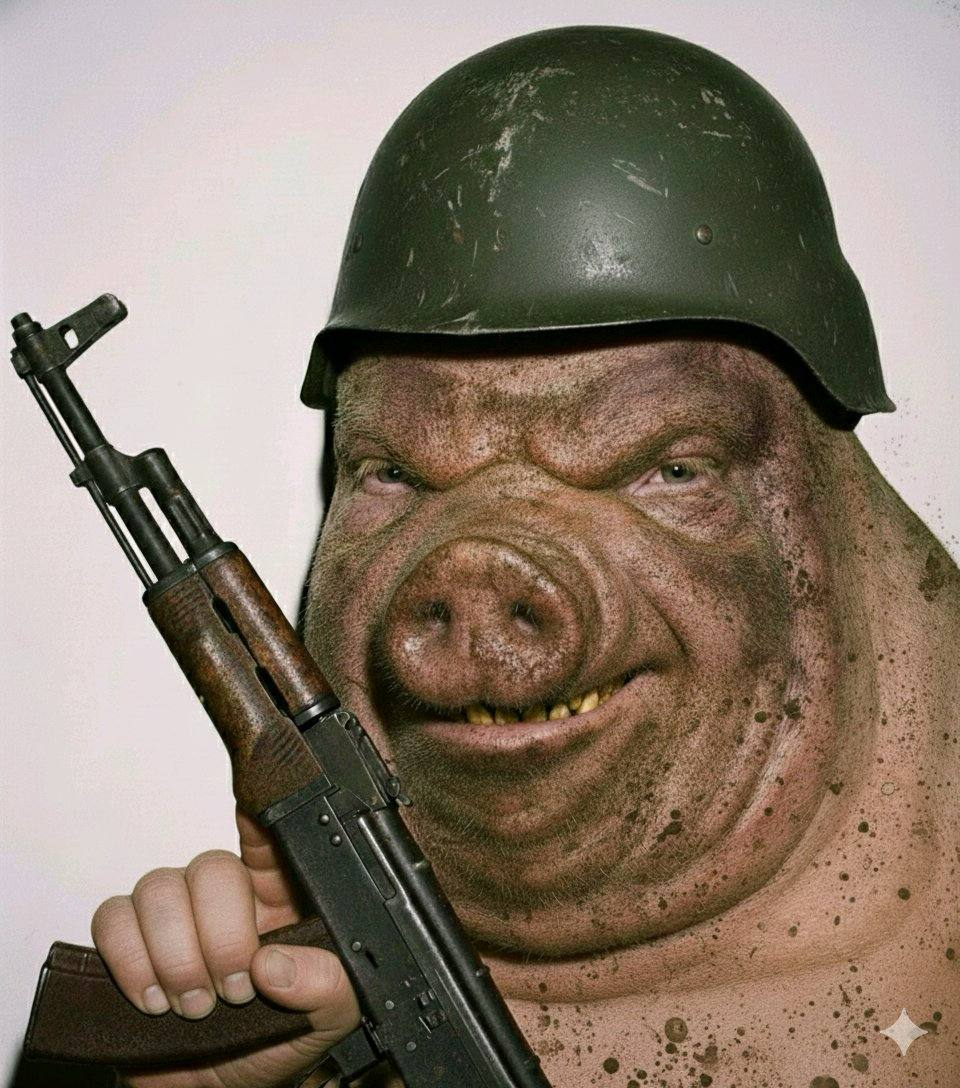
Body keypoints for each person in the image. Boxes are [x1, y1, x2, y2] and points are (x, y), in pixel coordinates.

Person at [89, 27, 959, 1088]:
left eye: (668, 468)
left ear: (835, 512)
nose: (475, 584)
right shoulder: (294, 981)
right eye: (394, 475)